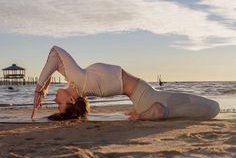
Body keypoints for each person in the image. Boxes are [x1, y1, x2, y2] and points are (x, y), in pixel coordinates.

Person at [32, 46, 220, 121]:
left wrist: (43, 86)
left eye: (57, 103)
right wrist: (39, 88)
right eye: (59, 104)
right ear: (72, 100)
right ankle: (153, 113)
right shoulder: (81, 80)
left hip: (145, 98)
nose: (55, 100)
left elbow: (55, 60)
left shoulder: (78, 81)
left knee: (211, 108)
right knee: (213, 108)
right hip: (148, 97)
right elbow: (56, 52)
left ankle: (151, 113)